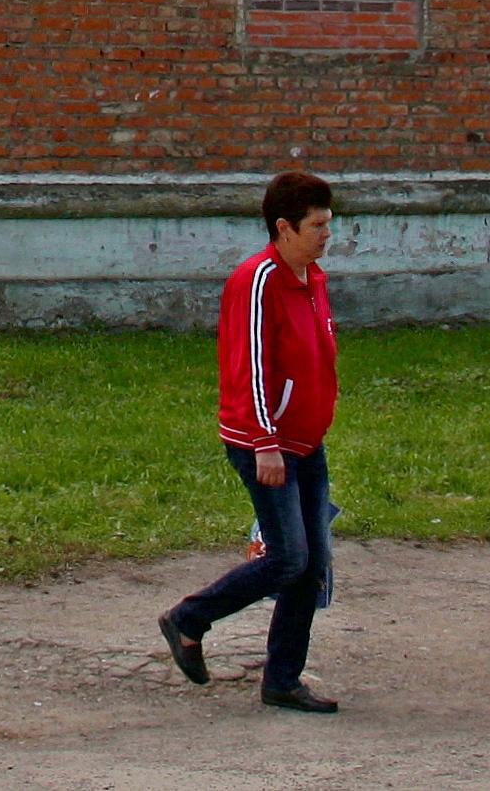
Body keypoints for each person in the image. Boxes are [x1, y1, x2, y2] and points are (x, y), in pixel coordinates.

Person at [154, 168, 343, 714]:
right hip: (266, 444)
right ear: (283, 228)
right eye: (316, 225)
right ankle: (189, 618)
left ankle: (283, 679)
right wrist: (265, 441)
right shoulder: (258, 281)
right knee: (288, 559)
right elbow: (250, 369)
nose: (327, 234)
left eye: (329, 223)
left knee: (311, 565)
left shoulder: (314, 279)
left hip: (306, 443)